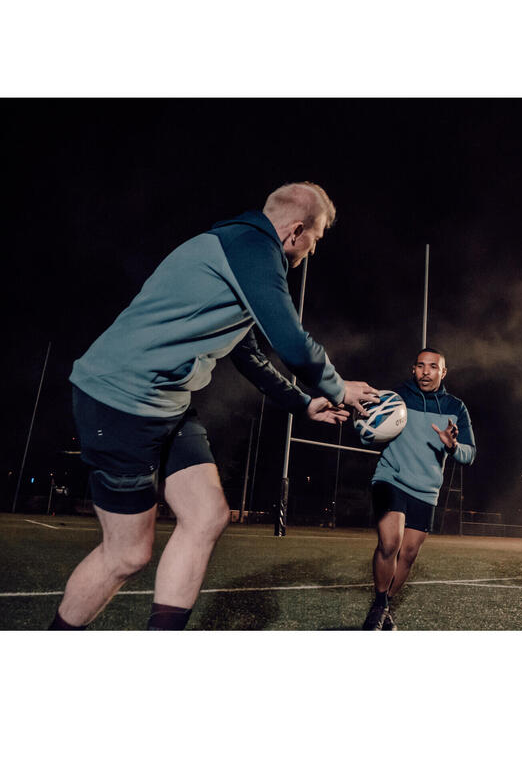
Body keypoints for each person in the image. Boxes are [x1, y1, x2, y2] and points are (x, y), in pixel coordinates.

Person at [50, 181, 379, 630]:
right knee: (126, 554)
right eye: (315, 240)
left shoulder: (240, 252)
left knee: (207, 516)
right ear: (295, 231)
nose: (313, 251)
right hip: (120, 400)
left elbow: (248, 354)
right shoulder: (250, 246)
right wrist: (340, 389)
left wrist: (304, 403)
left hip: (167, 403)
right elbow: (292, 343)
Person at [362, 347, 476, 630]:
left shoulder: (455, 407)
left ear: (443, 372)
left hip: (426, 489)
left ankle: (385, 604)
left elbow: (470, 454)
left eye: (433, 366)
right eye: (420, 365)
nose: (426, 371)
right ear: (413, 369)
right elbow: (367, 430)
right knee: (391, 542)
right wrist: (366, 428)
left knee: (409, 554)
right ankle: (378, 607)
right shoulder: (394, 397)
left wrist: (452, 446)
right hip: (391, 477)